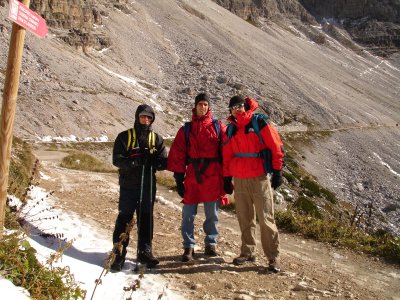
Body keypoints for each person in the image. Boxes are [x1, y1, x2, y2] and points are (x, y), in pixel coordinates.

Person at [222, 95, 284, 273]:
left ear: (246, 106)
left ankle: (273, 257)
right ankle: (247, 252)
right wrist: (227, 178)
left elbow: (275, 146)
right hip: (240, 180)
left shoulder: (259, 123)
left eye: (240, 106)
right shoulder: (231, 130)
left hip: (259, 177)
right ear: (230, 111)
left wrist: (277, 170)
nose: (237, 109)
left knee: (266, 218)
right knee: (244, 217)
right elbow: (227, 155)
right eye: (233, 107)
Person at [168, 93, 227, 262]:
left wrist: (227, 177)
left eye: (206, 104)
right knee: (187, 214)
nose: (203, 107)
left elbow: (227, 151)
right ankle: (188, 246)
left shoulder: (218, 127)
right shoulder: (186, 129)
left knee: (212, 214)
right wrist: (179, 178)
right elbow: (178, 153)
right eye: (200, 104)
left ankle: (210, 244)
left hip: (213, 176)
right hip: (193, 176)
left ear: (209, 107)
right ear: (195, 106)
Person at [110, 104, 167, 271]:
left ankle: (145, 252)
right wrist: (133, 162)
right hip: (128, 186)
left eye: (149, 117)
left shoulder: (157, 139)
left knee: (146, 219)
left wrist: (156, 162)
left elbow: (163, 161)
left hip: (148, 185)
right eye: (143, 116)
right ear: (137, 117)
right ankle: (118, 254)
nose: (146, 120)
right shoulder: (124, 137)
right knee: (124, 219)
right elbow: (117, 159)